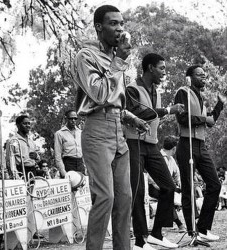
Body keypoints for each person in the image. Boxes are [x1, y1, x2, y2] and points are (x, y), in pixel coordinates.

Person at [71, 5, 149, 250]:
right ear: (98, 27)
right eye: (113, 24)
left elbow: (115, 102)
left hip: (118, 131)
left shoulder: (115, 59)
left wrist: (131, 118)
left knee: (124, 199)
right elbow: (100, 93)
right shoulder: (86, 56)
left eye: (122, 24)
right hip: (96, 132)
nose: (120, 29)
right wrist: (120, 62)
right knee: (105, 197)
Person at [125, 53, 184, 250]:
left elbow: (153, 116)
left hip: (152, 144)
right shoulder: (132, 88)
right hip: (133, 143)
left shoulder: (156, 92)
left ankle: (156, 234)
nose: (164, 72)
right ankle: (140, 242)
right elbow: (139, 114)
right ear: (150, 68)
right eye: (162, 68)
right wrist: (168, 110)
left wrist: (165, 111)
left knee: (168, 187)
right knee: (138, 191)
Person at [174, 65, 225, 241]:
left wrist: (220, 104)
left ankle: (203, 229)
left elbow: (209, 121)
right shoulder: (183, 92)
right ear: (189, 77)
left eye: (204, 75)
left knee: (215, 184)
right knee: (188, 189)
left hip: (200, 146)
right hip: (186, 144)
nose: (203, 77)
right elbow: (182, 118)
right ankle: (192, 232)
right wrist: (204, 119)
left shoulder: (200, 97)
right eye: (199, 75)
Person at [148, 135, 186, 233]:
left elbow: (177, 173)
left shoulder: (171, 159)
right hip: (153, 187)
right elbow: (150, 176)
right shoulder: (158, 157)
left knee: (172, 192)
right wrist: (161, 186)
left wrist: (180, 183)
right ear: (174, 148)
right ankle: (179, 224)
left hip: (166, 186)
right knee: (167, 196)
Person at [6, 115, 40, 180]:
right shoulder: (13, 141)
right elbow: (9, 162)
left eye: (29, 123)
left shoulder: (31, 141)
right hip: (21, 172)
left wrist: (36, 156)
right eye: (24, 123)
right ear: (18, 125)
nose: (27, 125)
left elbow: (38, 158)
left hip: (33, 172)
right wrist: (16, 177)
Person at [54, 110, 85, 177]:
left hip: (80, 164)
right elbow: (58, 156)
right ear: (66, 118)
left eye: (75, 118)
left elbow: (84, 151)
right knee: (70, 185)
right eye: (71, 118)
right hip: (68, 164)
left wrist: (85, 167)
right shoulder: (59, 133)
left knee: (82, 186)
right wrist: (63, 172)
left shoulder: (80, 132)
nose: (73, 120)